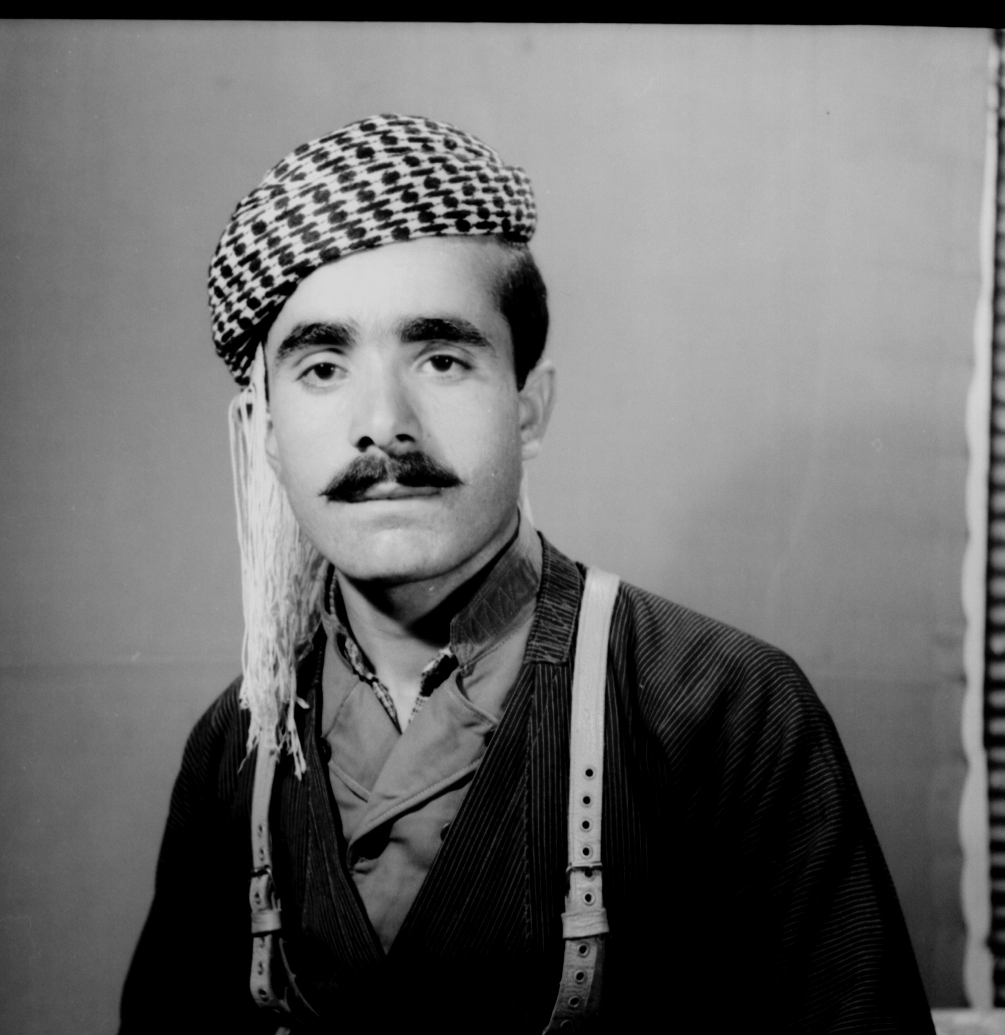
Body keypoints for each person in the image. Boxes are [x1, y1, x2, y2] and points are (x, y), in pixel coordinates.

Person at [119, 114, 934, 1034]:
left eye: (442, 358)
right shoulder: (237, 746)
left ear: (529, 407)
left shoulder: (722, 706)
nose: (383, 421)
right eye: (321, 367)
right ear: (266, 432)